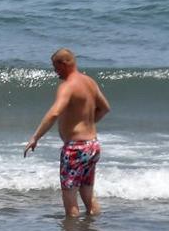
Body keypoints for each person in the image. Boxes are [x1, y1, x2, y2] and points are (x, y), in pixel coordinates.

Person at [22, 47, 111, 217]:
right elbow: (105, 108)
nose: (55, 71)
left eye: (55, 67)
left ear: (64, 64)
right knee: (88, 195)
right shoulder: (89, 82)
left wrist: (35, 137)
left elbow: (54, 112)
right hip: (92, 146)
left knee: (70, 201)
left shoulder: (68, 86)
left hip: (75, 150)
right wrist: (87, 122)